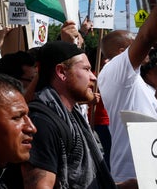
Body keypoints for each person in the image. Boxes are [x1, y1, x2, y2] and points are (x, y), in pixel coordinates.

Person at [21, 41, 117, 188]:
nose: (93, 77)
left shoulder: (71, 115)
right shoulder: (41, 122)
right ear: (61, 72)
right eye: (86, 69)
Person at [97, 8, 157, 184]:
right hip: (132, 174)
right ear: (121, 51)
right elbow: (146, 36)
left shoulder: (137, 82)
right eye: (134, 41)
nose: (150, 48)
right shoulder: (115, 71)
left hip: (148, 169)